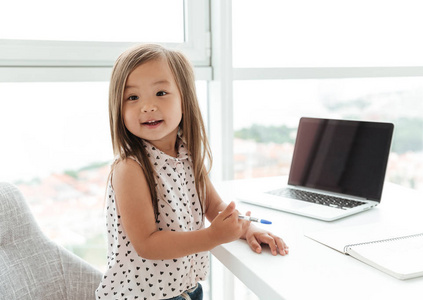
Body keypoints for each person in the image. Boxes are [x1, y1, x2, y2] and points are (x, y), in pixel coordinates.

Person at [95, 44, 288, 300]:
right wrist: (212, 236)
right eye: (133, 98)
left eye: (161, 92)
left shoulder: (187, 154)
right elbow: (147, 244)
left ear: (184, 100)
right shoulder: (130, 168)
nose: (147, 106)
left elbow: (214, 205)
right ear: (118, 108)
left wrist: (245, 229)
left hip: (187, 290)